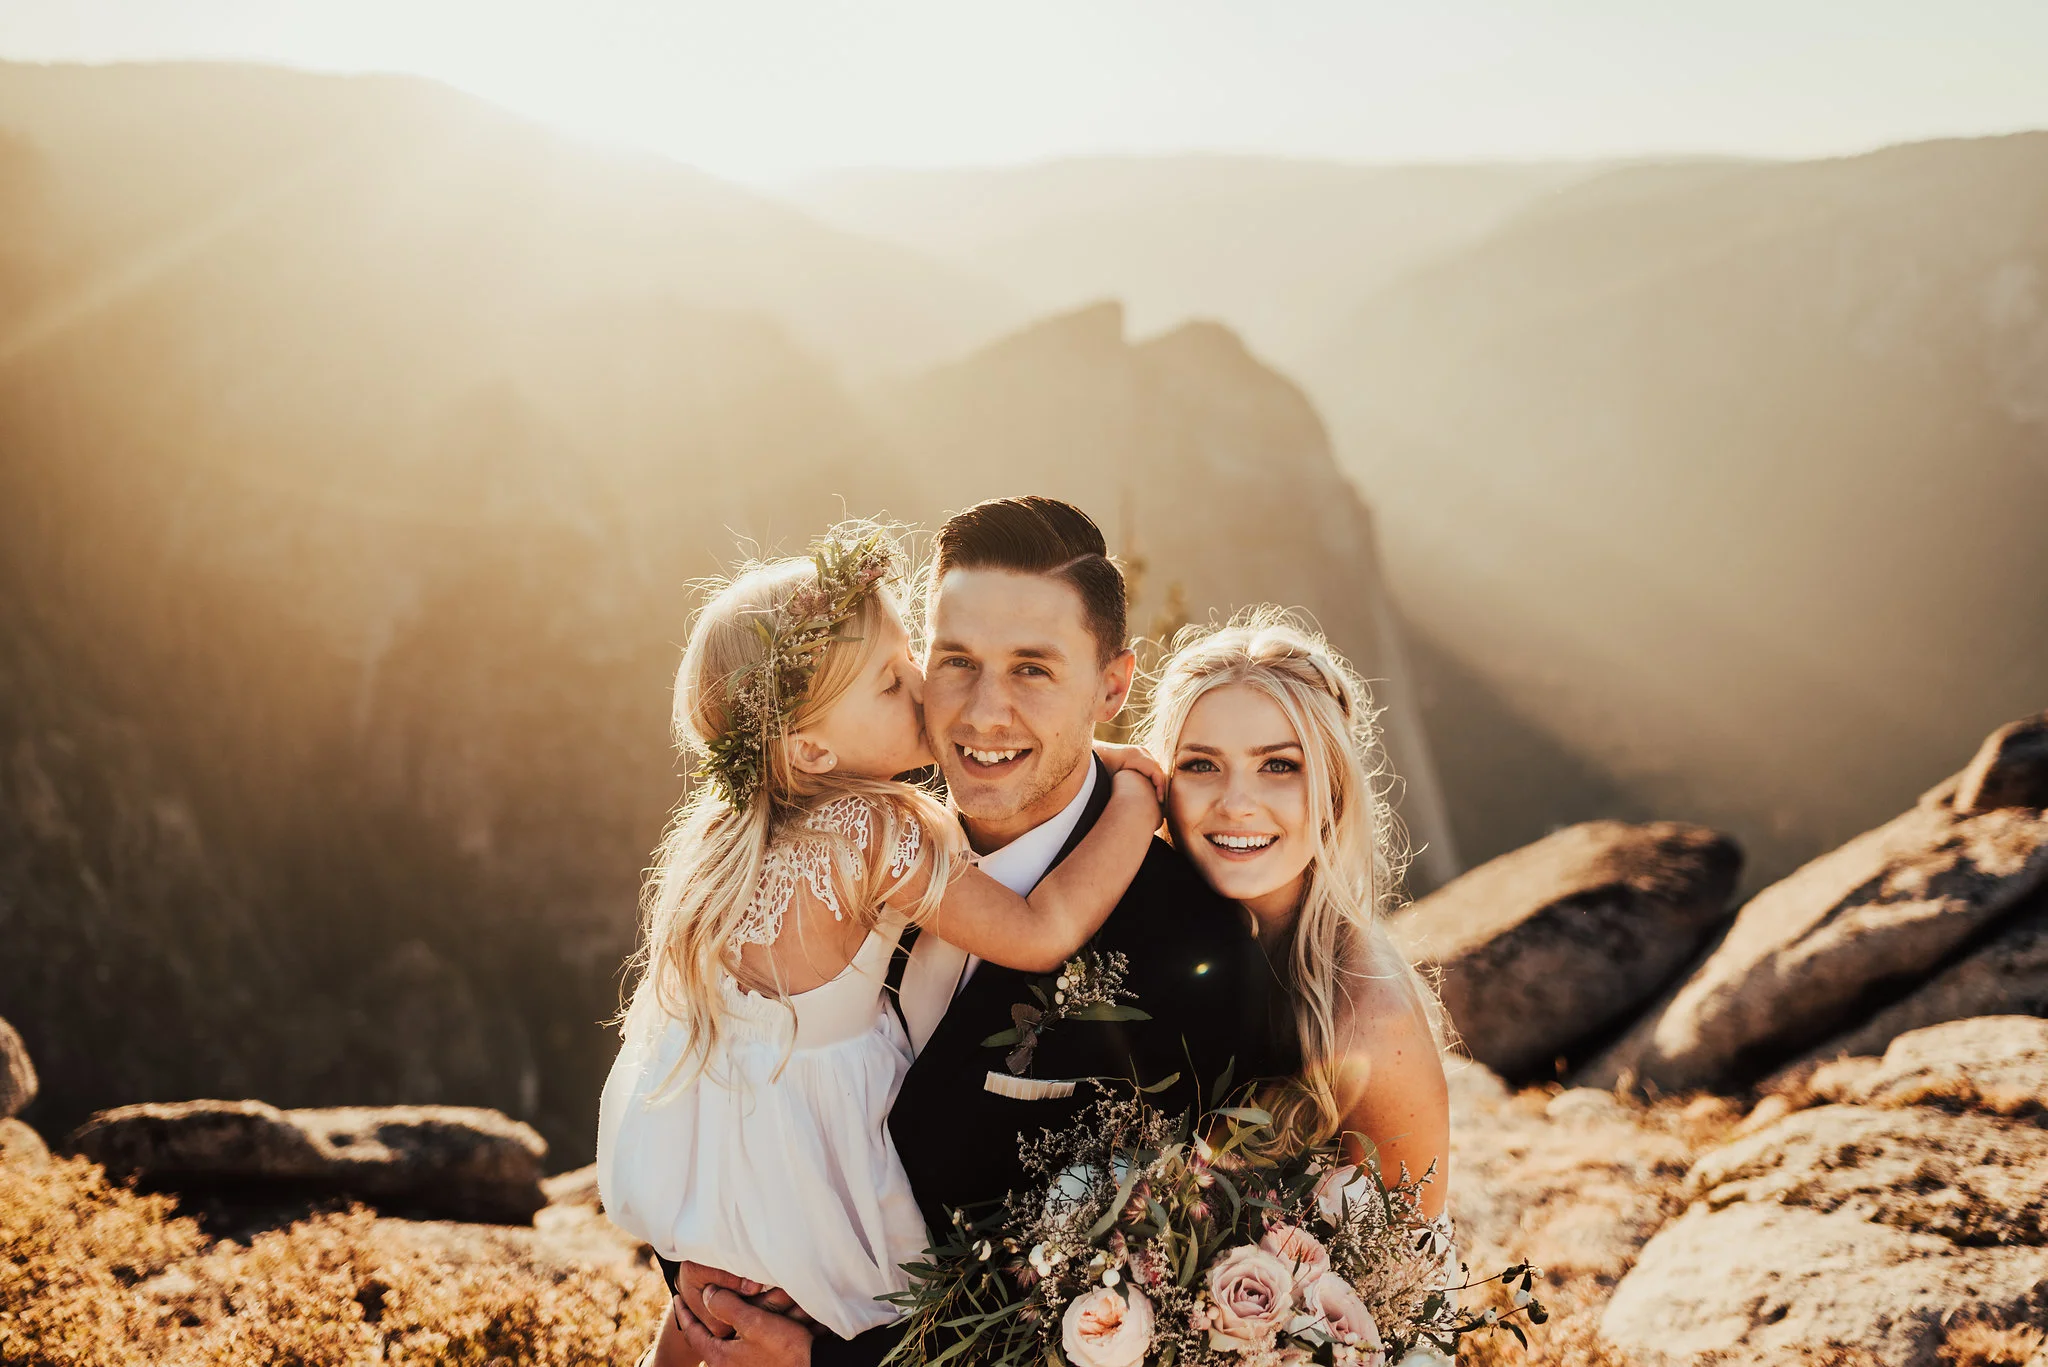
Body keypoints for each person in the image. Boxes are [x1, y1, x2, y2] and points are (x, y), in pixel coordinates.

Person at [654, 497, 1298, 1367]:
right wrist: (712, 1283)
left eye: (1032, 669)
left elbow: (1171, 1308)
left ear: (1113, 687)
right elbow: (709, 1082)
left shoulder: (1192, 949)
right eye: (957, 661)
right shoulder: (829, 852)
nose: (982, 713)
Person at [597, 519, 1171, 1342]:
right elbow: (1042, 929)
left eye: (913, 659)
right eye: (890, 681)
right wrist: (1133, 799)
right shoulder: (876, 833)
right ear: (813, 747)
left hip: (723, 1197)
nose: (921, 689)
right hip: (824, 1188)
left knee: (702, 1341)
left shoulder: (720, 842)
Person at [1140, 607, 1451, 1219]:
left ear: (1333, 792)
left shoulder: (1369, 1022)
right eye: (1200, 765)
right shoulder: (1140, 939)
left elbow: (1408, 1267)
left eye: (1279, 765)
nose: (1236, 804)